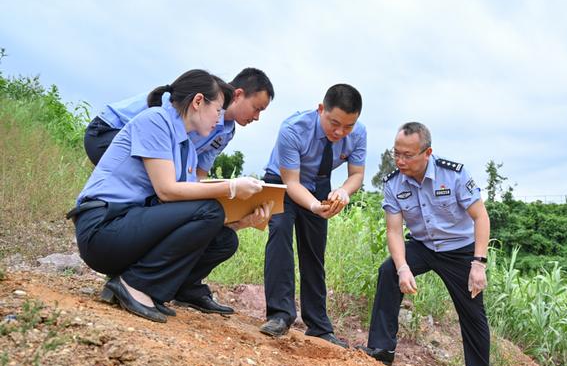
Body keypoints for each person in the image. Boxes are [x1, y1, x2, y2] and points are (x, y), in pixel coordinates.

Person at [68, 69, 272, 323]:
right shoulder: (155, 120)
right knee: (209, 209)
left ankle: (155, 288)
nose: (219, 119)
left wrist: (242, 222)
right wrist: (231, 187)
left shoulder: (186, 149)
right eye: (217, 110)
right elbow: (167, 191)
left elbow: (189, 215)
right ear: (198, 102)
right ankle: (134, 284)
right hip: (102, 228)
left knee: (224, 239)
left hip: (127, 227)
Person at [357, 122, 495, 366]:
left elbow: (481, 217)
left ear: (427, 152)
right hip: (422, 245)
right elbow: (394, 231)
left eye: (408, 155)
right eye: (396, 154)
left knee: (472, 310)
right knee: (388, 271)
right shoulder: (394, 181)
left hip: (459, 250)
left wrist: (478, 263)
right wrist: (403, 268)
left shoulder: (453, 174)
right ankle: (381, 349)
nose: (400, 161)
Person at [260, 84, 366, 348]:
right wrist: (315, 207)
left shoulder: (359, 133)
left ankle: (318, 326)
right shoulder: (293, 129)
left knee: (314, 251)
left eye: (348, 126)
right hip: (283, 182)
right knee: (281, 233)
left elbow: (356, 175)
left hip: (320, 184)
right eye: (334, 123)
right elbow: (292, 183)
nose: (340, 132)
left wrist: (342, 192)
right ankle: (280, 315)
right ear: (321, 109)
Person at [83, 67, 274, 178]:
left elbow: (198, 172)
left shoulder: (226, 132)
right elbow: (157, 137)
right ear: (239, 95)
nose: (256, 117)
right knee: (158, 182)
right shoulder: (203, 95)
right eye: (257, 108)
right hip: (109, 131)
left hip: (147, 149)